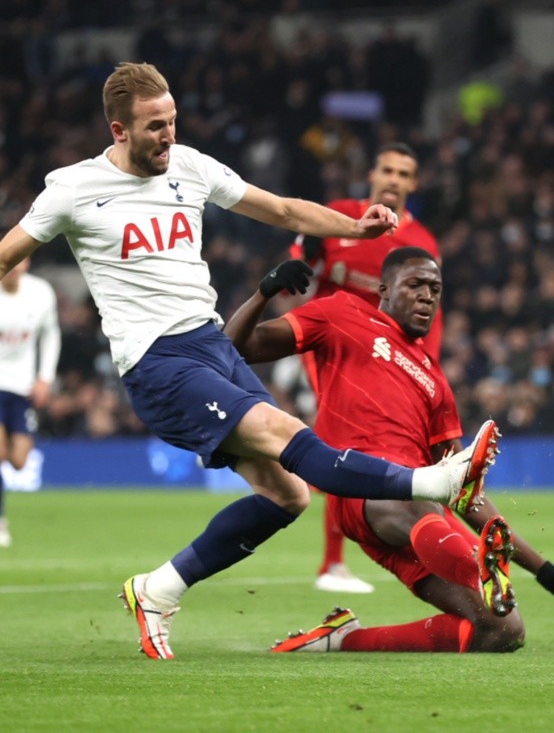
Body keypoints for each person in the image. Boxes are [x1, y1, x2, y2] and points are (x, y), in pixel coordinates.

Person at [0, 62, 497, 660]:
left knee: (289, 494)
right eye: (155, 127)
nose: (169, 136)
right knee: (286, 432)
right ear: (119, 130)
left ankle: (157, 590)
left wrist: (356, 229)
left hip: (210, 345)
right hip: (157, 362)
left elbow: (284, 211)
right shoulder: (74, 189)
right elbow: (9, 254)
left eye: (173, 122)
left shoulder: (189, 166)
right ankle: (431, 482)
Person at [224, 248, 554, 653]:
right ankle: (477, 564)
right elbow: (235, 346)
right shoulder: (341, 313)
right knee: (417, 500)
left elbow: (464, 490)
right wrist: (264, 293)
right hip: (360, 489)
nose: (428, 296)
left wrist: (544, 570)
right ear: (384, 289)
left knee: (502, 630)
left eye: (435, 289)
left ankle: (343, 638)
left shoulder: (434, 380)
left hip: (422, 523)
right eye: (416, 285)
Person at [292, 142, 441, 594]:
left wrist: (428, 369)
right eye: (387, 169)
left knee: (356, 449)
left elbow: (430, 313)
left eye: (403, 173)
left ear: (413, 185)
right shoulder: (339, 217)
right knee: (343, 440)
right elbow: (303, 254)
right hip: (329, 347)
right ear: (372, 175)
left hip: (385, 360)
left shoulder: (423, 244)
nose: (393, 179)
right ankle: (332, 564)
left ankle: (280, 461)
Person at [0, 258, 61, 547]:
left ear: (27, 263)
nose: (13, 267)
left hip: (21, 388)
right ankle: (1, 522)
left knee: (19, 461)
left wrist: (44, 378)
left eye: (18, 261)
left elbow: (51, 334)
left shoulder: (40, 293)